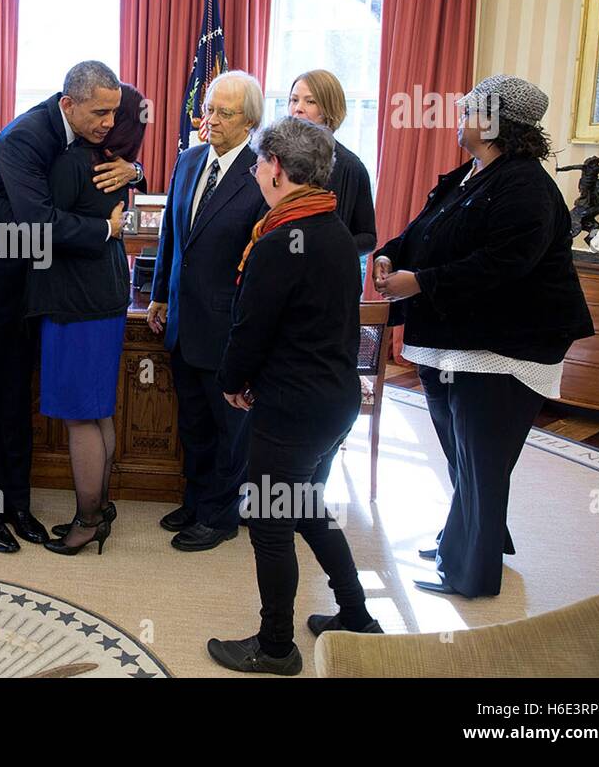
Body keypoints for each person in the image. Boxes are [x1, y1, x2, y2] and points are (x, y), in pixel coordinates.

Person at [373, 75, 594, 598]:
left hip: (504, 349)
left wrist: (420, 281)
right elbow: (422, 232)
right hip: (455, 339)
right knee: (463, 455)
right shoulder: (467, 176)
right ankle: (472, 534)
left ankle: (471, 575)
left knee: (481, 458)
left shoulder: (526, 187)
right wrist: (391, 255)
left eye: (469, 109)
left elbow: (503, 264)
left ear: (493, 122)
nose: (459, 115)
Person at [0, 61, 139, 554]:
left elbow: (109, 163)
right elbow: (36, 225)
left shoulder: (85, 128)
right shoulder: (24, 137)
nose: (109, 123)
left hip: (32, 289)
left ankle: (16, 505)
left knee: (14, 405)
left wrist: (136, 170)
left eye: (114, 111)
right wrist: (105, 231)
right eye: (100, 113)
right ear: (68, 104)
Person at [207, 116, 380, 676]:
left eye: (258, 162)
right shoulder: (331, 226)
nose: (256, 171)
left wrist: (231, 383)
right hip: (333, 398)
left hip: (294, 405)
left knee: (270, 521)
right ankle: (355, 613)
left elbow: (251, 329)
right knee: (304, 506)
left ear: (276, 169)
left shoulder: (282, 239)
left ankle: (275, 646)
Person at [147, 71, 267, 552]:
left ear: (250, 121)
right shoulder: (189, 160)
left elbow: (261, 261)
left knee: (227, 430)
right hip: (182, 322)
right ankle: (196, 502)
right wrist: (159, 294)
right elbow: (171, 239)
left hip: (229, 328)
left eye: (224, 113)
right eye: (209, 109)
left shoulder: (263, 174)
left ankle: (219, 516)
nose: (210, 120)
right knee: (193, 423)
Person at [30, 85, 148, 555]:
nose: (100, 119)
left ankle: (88, 518)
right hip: (105, 293)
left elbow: (43, 227)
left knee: (81, 417)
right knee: (97, 409)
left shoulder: (76, 161)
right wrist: (137, 170)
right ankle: (100, 507)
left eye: (109, 112)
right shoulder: (118, 166)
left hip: (75, 298)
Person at [287, 70, 376, 272]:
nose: (297, 109)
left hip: (328, 279)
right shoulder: (273, 160)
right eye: (293, 100)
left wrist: (331, 249)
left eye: (310, 102)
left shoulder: (352, 167)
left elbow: (368, 237)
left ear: (328, 109)